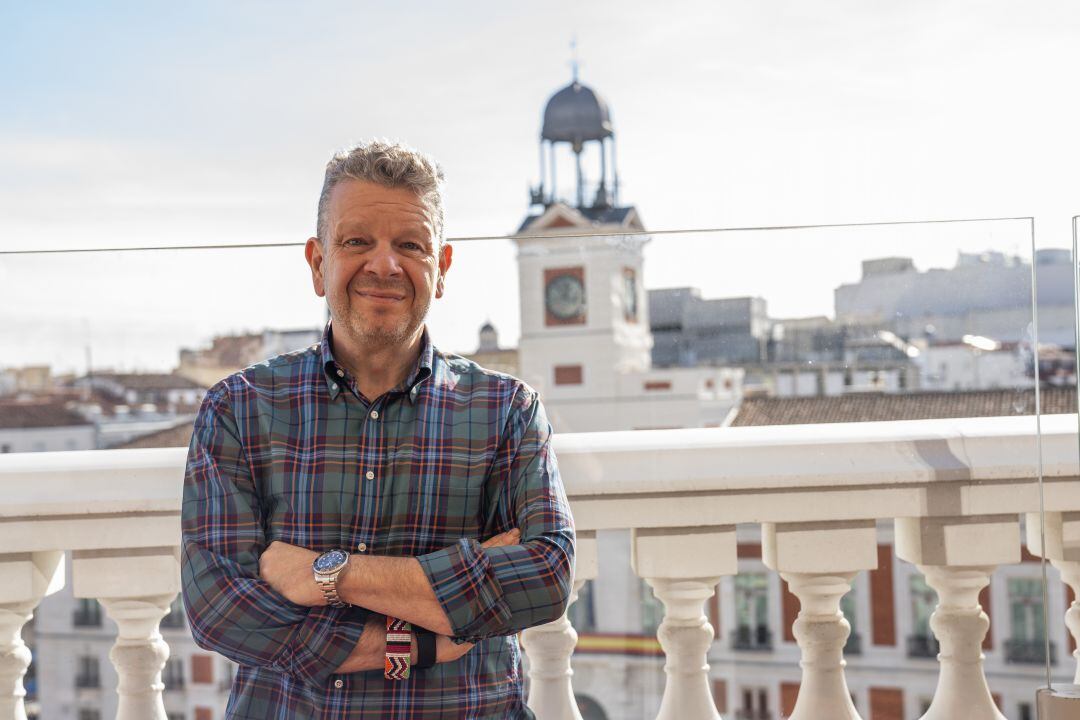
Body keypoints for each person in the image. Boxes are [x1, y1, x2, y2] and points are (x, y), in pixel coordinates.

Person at [181, 140, 576, 718]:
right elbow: (220, 609)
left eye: (409, 245)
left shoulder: (506, 409)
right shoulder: (240, 408)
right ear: (319, 263)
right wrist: (418, 642)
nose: (384, 264)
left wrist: (326, 574)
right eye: (357, 241)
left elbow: (545, 575)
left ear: (440, 269)